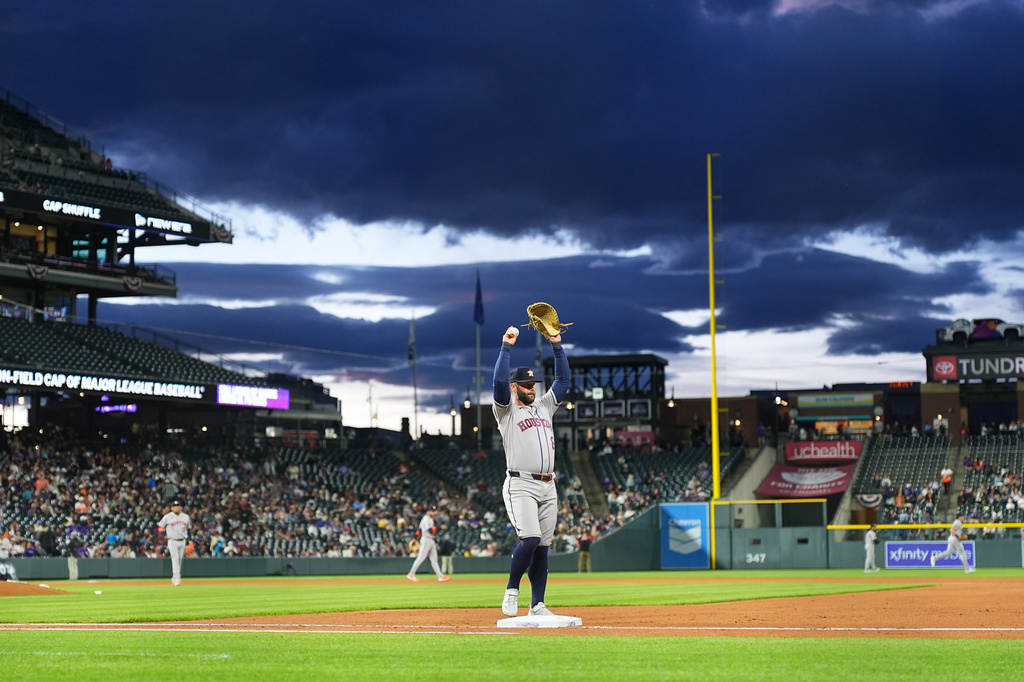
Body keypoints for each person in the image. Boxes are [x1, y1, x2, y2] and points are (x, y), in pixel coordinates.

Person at [493, 323, 570, 617]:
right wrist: (506, 346)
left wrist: (556, 344)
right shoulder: (505, 411)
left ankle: (537, 605)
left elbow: (562, 380)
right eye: (525, 384)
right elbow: (498, 384)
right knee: (530, 539)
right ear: (515, 387)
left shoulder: (544, 406)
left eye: (533, 383)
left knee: (543, 547)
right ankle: (512, 590)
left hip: (548, 484)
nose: (531, 387)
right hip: (520, 483)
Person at [406, 508, 450, 582]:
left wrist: (415, 538)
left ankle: (440, 576)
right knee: (421, 558)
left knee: (434, 560)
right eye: (432, 511)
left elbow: (419, 529)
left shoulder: (426, 519)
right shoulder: (427, 519)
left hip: (431, 540)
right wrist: (440, 527)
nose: (434, 513)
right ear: (429, 511)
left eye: (434, 511)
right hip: (426, 539)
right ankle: (411, 573)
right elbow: (429, 530)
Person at [157, 500, 191, 586]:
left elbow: (189, 529)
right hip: (172, 540)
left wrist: (190, 541)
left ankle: (175, 579)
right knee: (175, 559)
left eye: (178, 505)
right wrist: (163, 534)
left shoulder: (186, 517)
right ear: (172, 508)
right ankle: (176, 579)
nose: (177, 507)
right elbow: (160, 527)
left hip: (183, 540)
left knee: (180, 560)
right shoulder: (167, 517)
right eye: (175, 506)